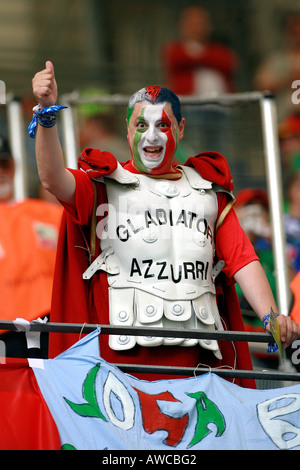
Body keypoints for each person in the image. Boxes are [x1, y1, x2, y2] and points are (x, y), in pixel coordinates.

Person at [30, 61, 300, 386]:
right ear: (127, 129)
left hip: (201, 367)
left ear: (182, 128)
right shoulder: (102, 185)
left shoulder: (208, 191)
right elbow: (52, 179)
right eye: (141, 125)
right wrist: (46, 115)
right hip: (122, 370)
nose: (152, 135)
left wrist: (272, 317)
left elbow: (242, 259)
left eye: (164, 125)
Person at [0, 135, 62, 357]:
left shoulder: (47, 212)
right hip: (7, 336)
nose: (0, 171)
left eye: (3, 164)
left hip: (61, 328)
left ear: (13, 167)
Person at [162, 6, 238, 96]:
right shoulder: (175, 49)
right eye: (193, 24)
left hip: (221, 103)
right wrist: (209, 59)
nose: (197, 28)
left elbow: (228, 63)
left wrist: (196, 57)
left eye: (201, 23)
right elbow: (177, 59)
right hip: (189, 103)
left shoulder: (218, 50)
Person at [254, 13, 300, 120]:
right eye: (295, 31)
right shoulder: (276, 60)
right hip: (285, 119)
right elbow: (262, 88)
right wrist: (288, 80)